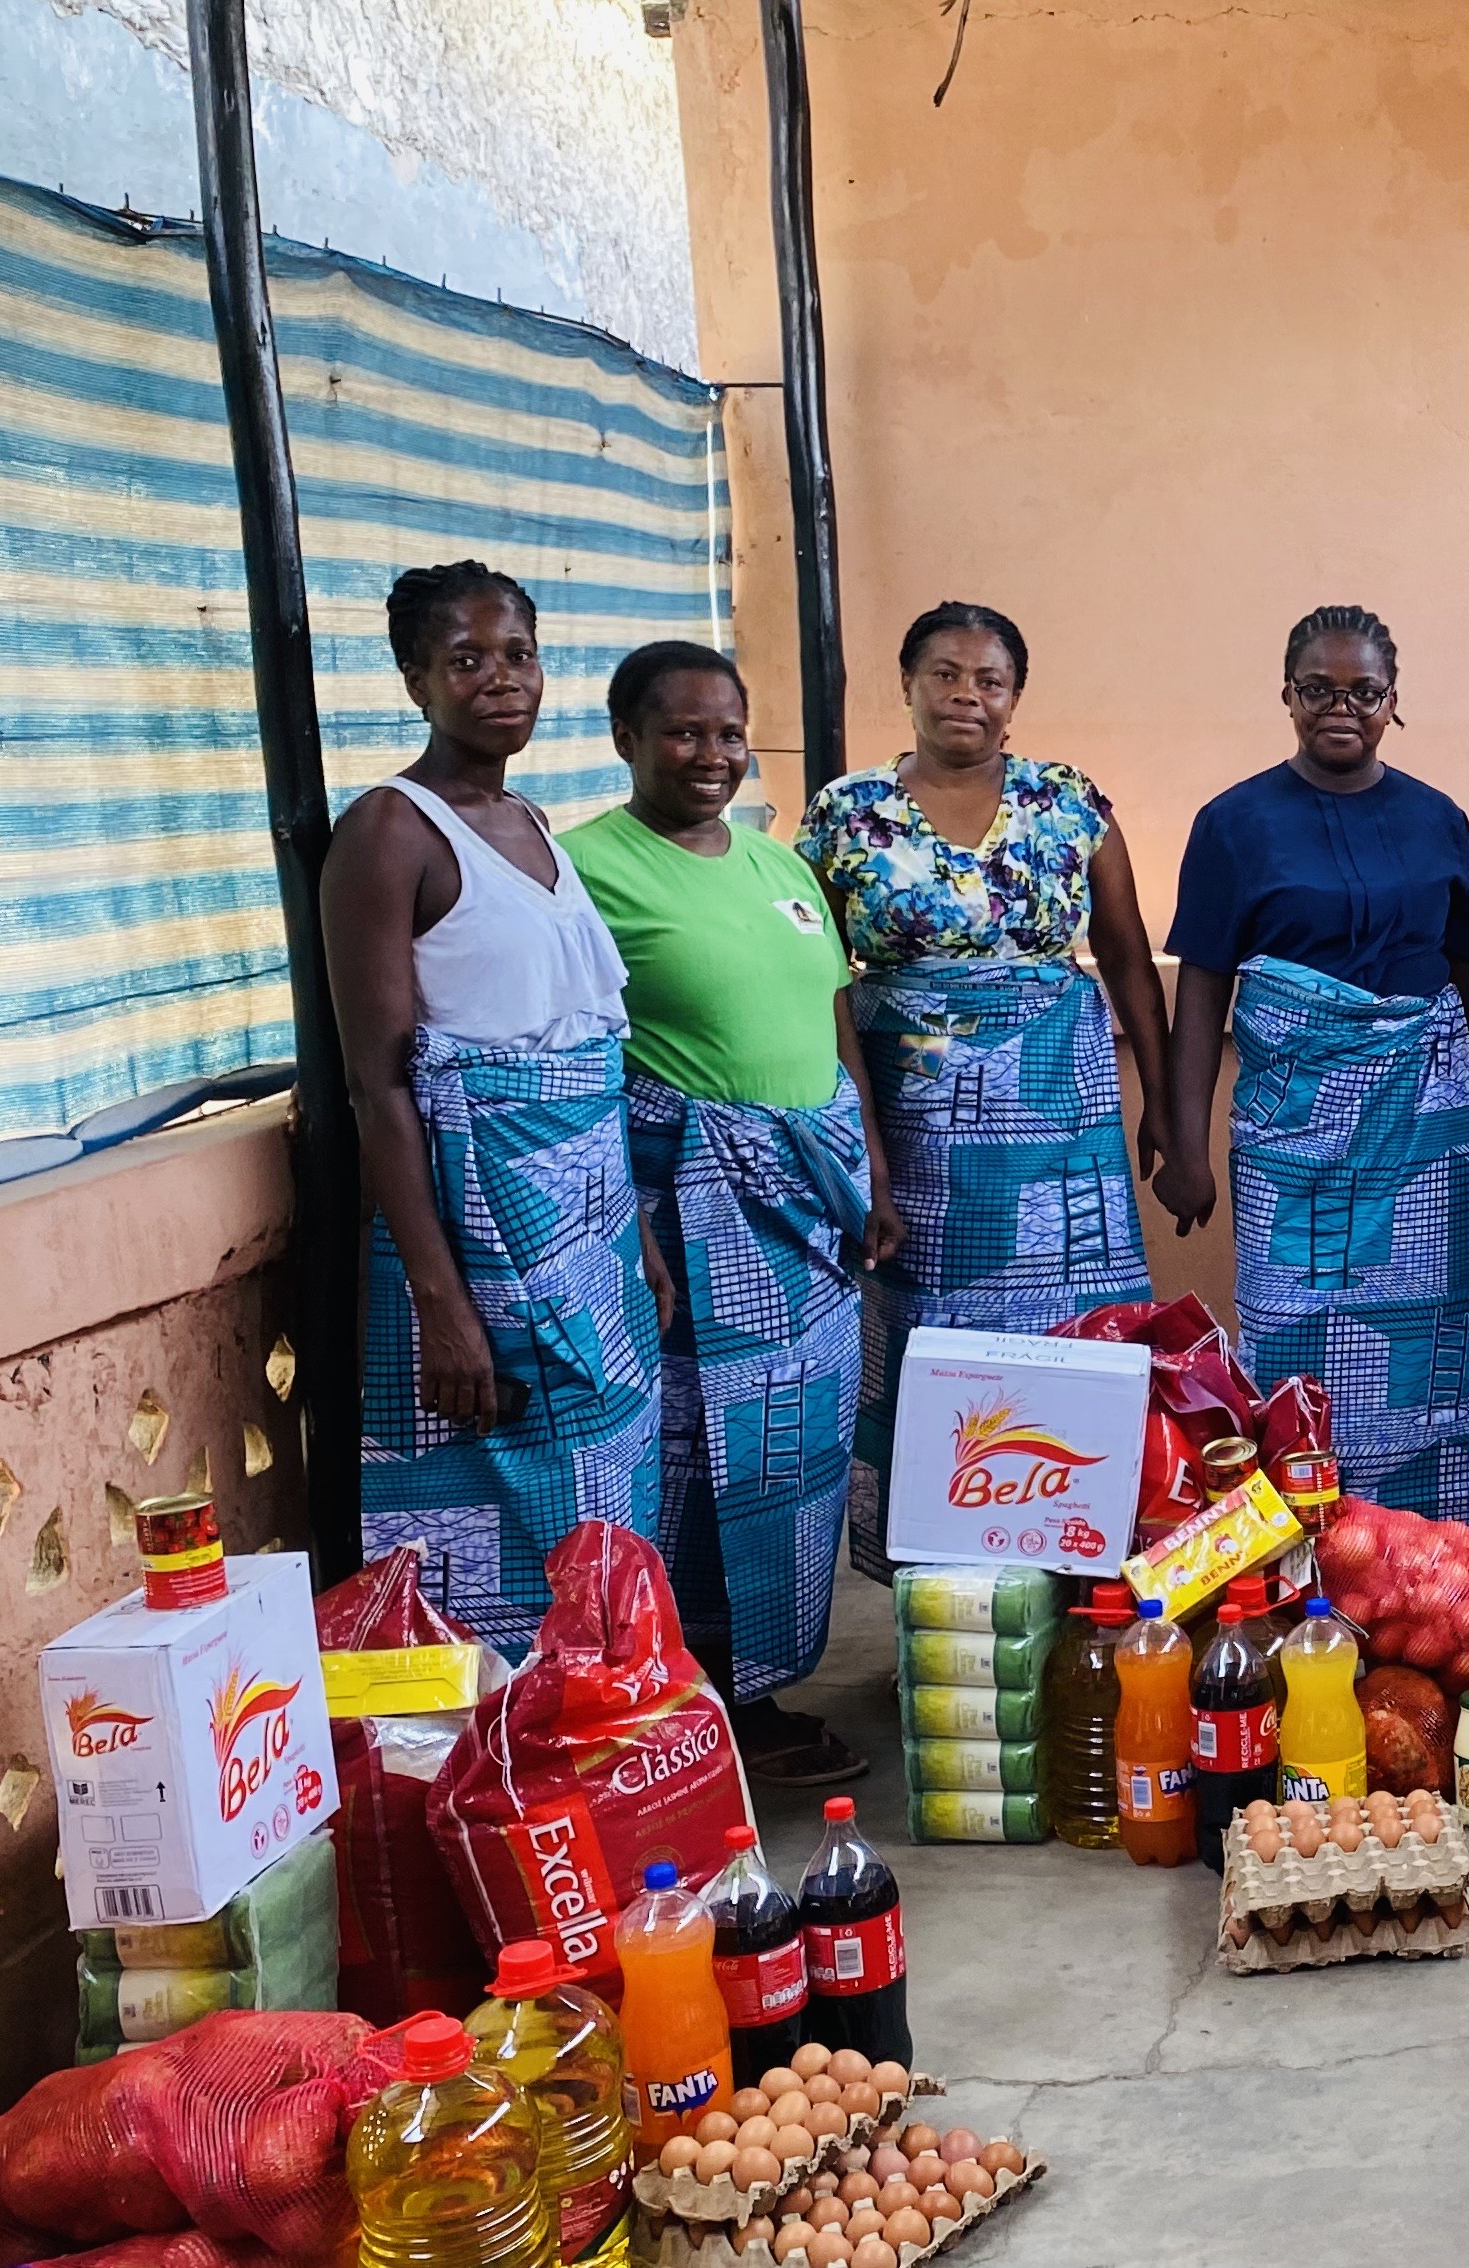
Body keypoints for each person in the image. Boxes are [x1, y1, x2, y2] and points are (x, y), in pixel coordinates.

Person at [323, 560, 658, 1657]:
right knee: (492, 1500)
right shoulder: (391, 831)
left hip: (588, 1230)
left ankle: (606, 1727)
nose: (499, 680)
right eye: (465, 660)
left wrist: (636, 1232)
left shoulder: (528, 817)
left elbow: (584, 1042)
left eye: (516, 654)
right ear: (414, 678)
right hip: (482, 1235)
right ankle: (501, 1756)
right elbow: (377, 1085)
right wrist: (441, 1303)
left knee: (604, 1483)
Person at [565, 642, 883, 1784]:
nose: (711, 755)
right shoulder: (585, 870)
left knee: (793, 1456)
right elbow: (582, 1062)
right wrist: (629, 1228)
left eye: (729, 733)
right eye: (683, 732)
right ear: (626, 740)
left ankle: (765, 1683)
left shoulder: (783, 869)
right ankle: (700, 1701)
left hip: (811, 1207)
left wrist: (873, 1181)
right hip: (688, 1213)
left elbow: (836, 1030)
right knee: (699, 1459)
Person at [800, 601, 1166, 1574]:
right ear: (909, 684)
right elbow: (821, 984)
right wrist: (859, 1153)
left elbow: (1129, 956)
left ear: (1015, 697)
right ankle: (940, 1590)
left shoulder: (1067, 800)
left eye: (989, 680)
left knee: (1072, 1341)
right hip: (915, 1139)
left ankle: (1075, 1571)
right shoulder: (847, 812)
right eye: (946, 675)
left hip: (1063, 1133)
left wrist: (1166, 1104)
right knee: (931, 1346)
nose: (967, 694)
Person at [1154, 605, 1469, 1530]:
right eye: (1319, 689)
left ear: (1392, 703)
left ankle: (1436, 1553)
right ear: (1287, 696)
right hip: (1294, 1143)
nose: (1342, 708)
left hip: (1426, 1136)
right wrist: (1186, 1138)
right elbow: (1201, 990)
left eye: (1364, 692)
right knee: (1293, 1337)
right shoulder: (1233, 824)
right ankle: (1309, 1545)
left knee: (1432, 1342)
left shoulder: (1437, 818)